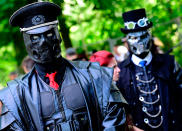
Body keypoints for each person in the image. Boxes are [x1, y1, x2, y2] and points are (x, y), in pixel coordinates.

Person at [0, 2, 126, 130]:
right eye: (35, 37)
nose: (44, 42)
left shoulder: (95, 76)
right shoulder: (15, 95)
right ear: (26, 42)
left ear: (58, 35)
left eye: (49, 34)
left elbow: (114, 121)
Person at [117, 8, 182, 131]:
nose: (140, 42)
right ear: (127, 40)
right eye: (134, 38)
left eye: (143, 36)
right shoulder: (121, 71)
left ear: (150, 36)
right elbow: (118, 110)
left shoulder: (170, 63)